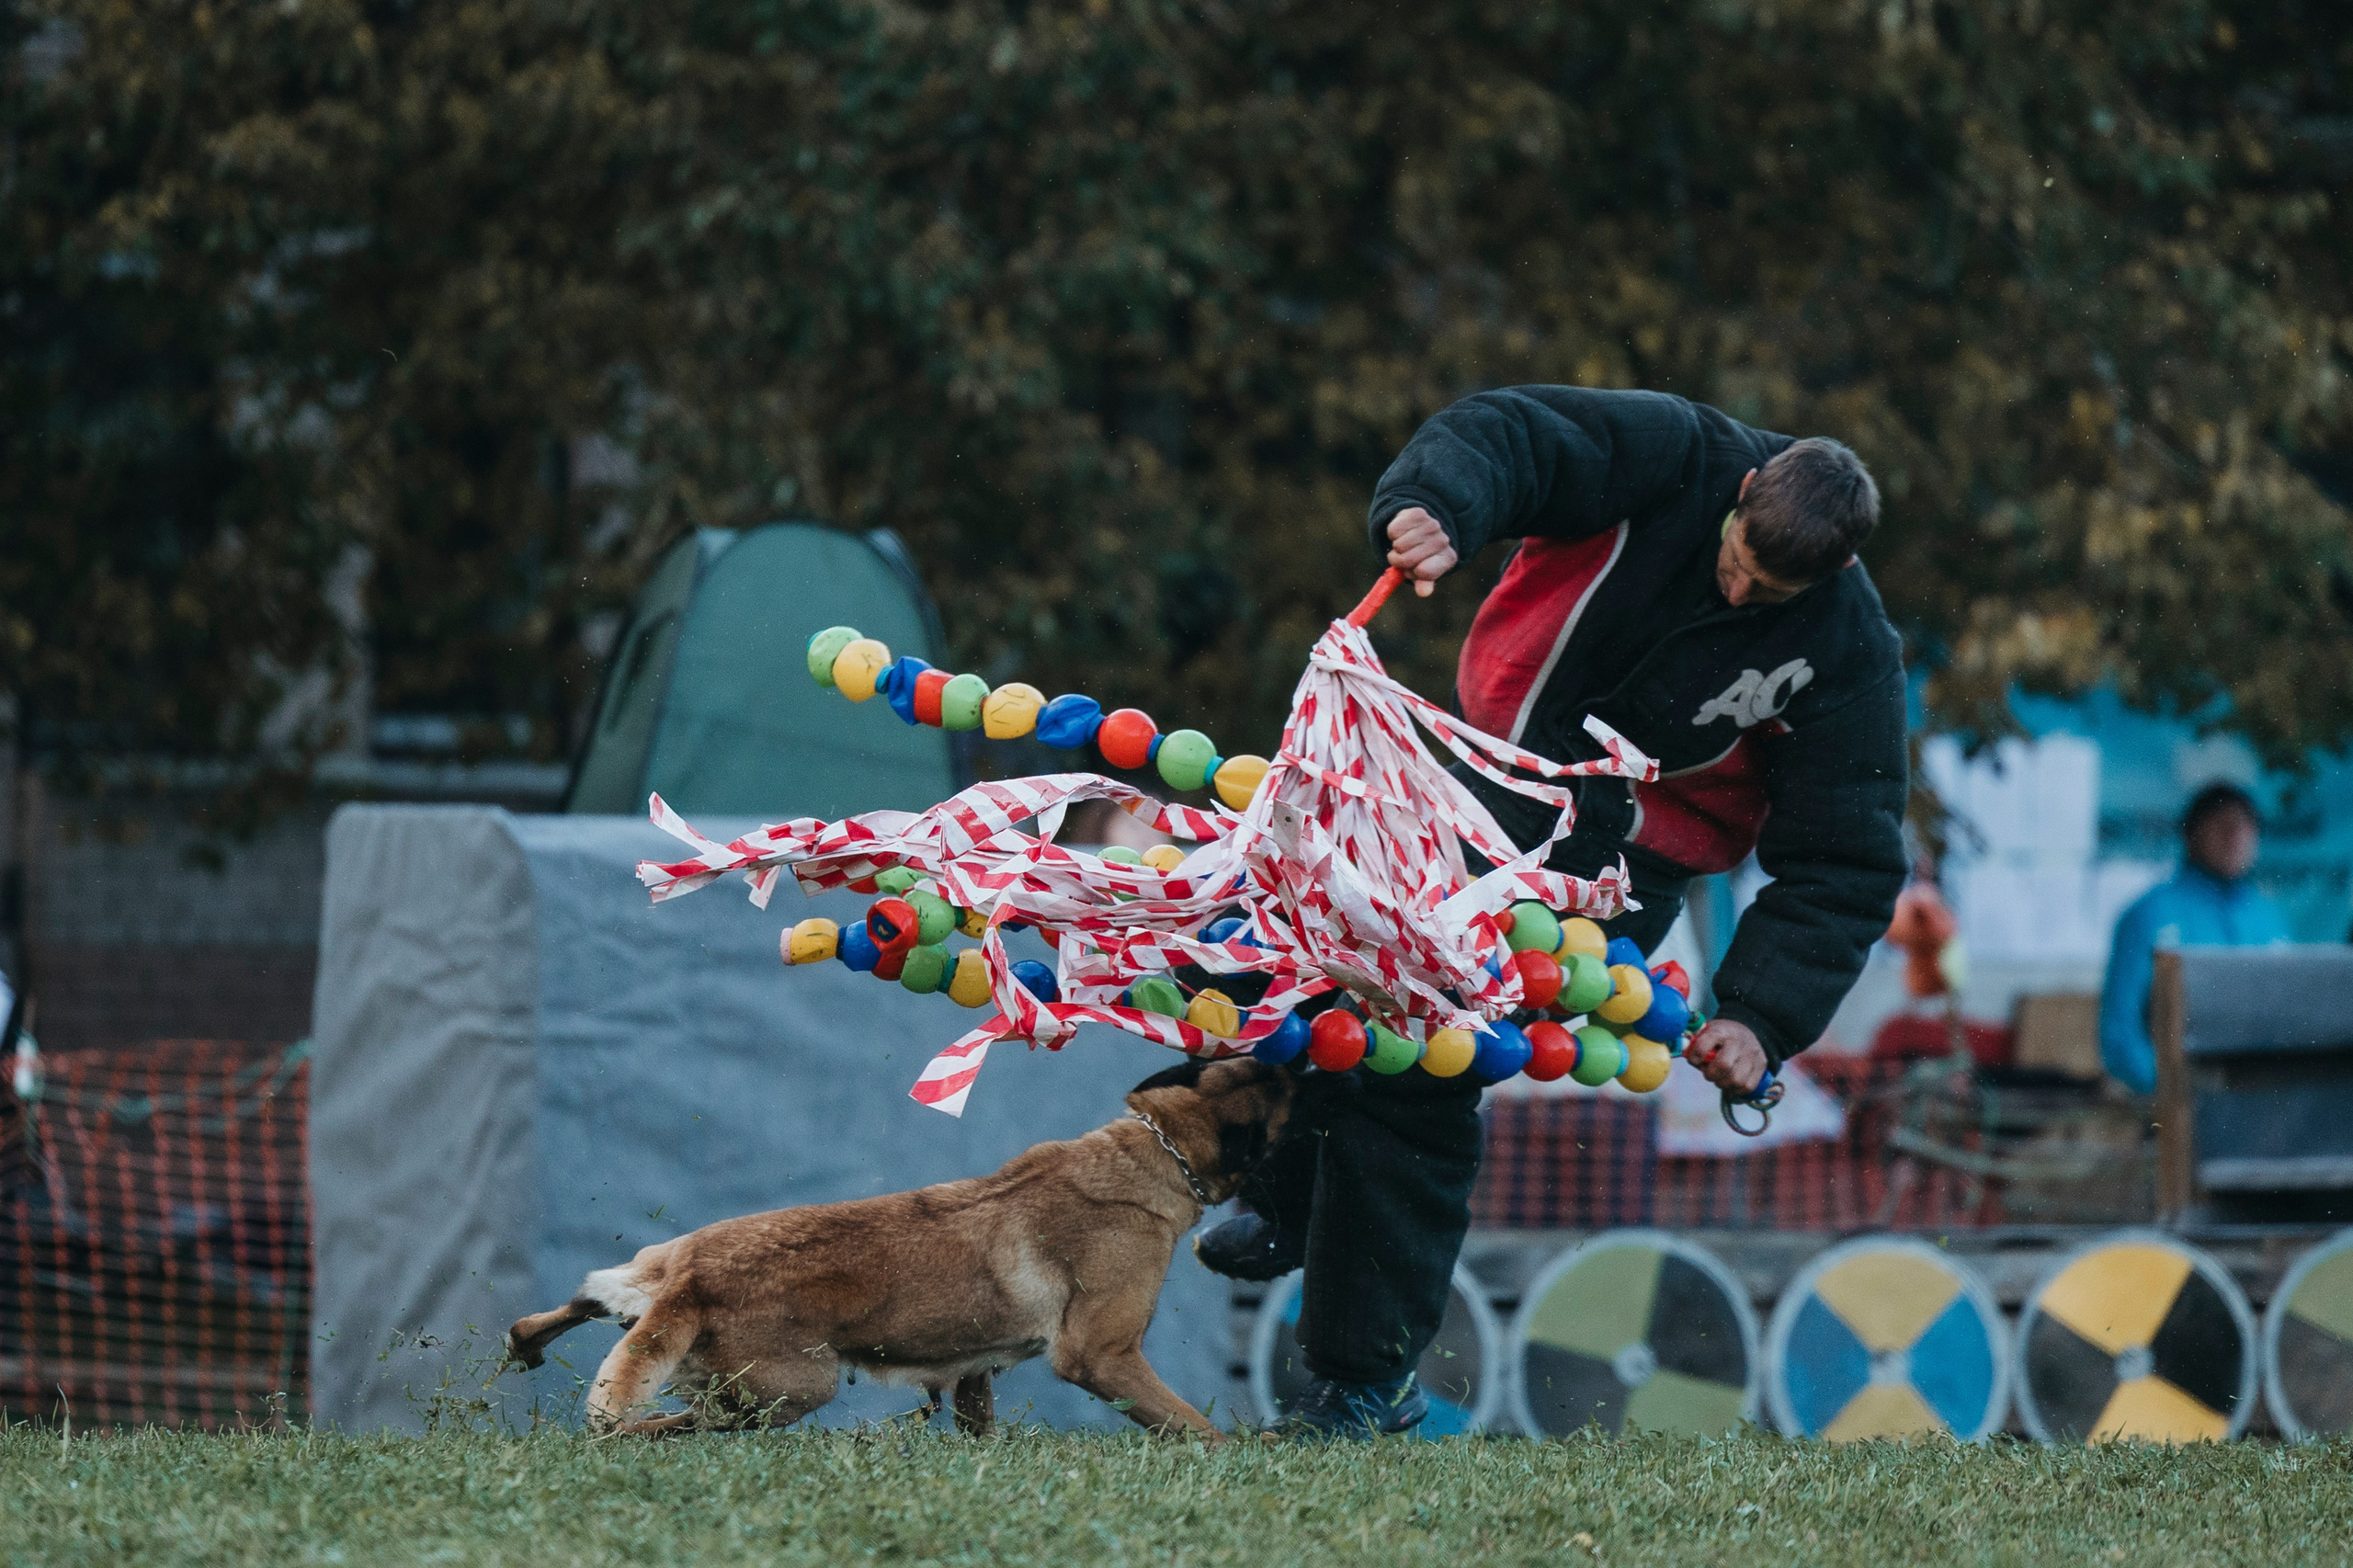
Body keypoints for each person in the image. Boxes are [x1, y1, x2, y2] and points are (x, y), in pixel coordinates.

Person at [1196, 385, 1910, 1437]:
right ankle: (1284, 1178)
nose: (1738, 588)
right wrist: (1437, 502)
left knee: (1430, 1054)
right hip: (1476, 794)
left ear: (1833, 570)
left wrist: (1760, 1014)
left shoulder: (1848, 648)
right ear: (1744, 487)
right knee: (1297, 949)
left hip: (1622, 869)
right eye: (1735, 557)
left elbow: (1844, 856)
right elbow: (1516, 437)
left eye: (1767, 589)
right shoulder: (1673, 454)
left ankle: (1360, 1381)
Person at [2097, 782, 2288, 1094]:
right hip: (2178, 1107)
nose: (2235, 836)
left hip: (2260, 1105)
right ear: (2191, 835)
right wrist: (2173, 1094)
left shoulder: (2268, 918)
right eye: (2222, 825)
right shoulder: (2150, 914)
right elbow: (2120, 1030)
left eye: (2245, 826)